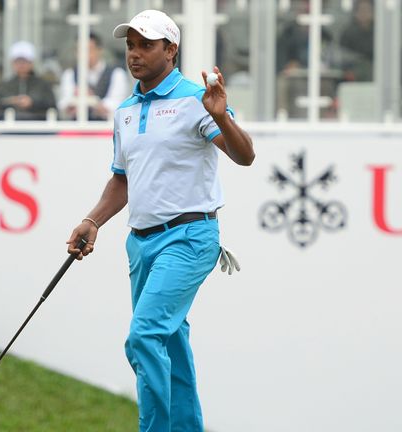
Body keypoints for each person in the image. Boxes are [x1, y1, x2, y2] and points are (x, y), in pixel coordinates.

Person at [65, 10, 255, 432]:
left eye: (146, 45)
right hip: (141, 244)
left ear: (171, 50)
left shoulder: (195, 98)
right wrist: (92, 220)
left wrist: (222, 116)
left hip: (190, 237)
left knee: (144, 336)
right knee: (171, 343)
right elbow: (123, 180)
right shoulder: (126, 111)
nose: (135, 54)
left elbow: (244, 156)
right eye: (130, 45)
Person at [58, 32, 131, 121]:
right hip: (76, 128)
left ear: (99, 50)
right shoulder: (69, 74)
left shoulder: (117, 74)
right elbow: (64, 104)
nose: (84, 54)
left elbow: (117, 105)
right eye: (79, 50)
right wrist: (73, 101)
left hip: (106, 129)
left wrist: (93, 100)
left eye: (89, 49)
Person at [0, 41, 57, 121]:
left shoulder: (43, 85)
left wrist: (33, 103)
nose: (21, 65)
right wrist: (11, 102)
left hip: (37, 128)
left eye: (24, 61)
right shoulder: (6, 85)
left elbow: (52, 107)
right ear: (12, 63)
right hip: (10, 129)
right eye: (18, 61)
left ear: (31, 63)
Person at [339, 0, 374, 82]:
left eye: (367, 10)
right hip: (353, 70)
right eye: (361, 10)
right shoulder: (347, 33)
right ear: (355, 12)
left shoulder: (379, 33)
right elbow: (342, 55)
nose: (364, 13)